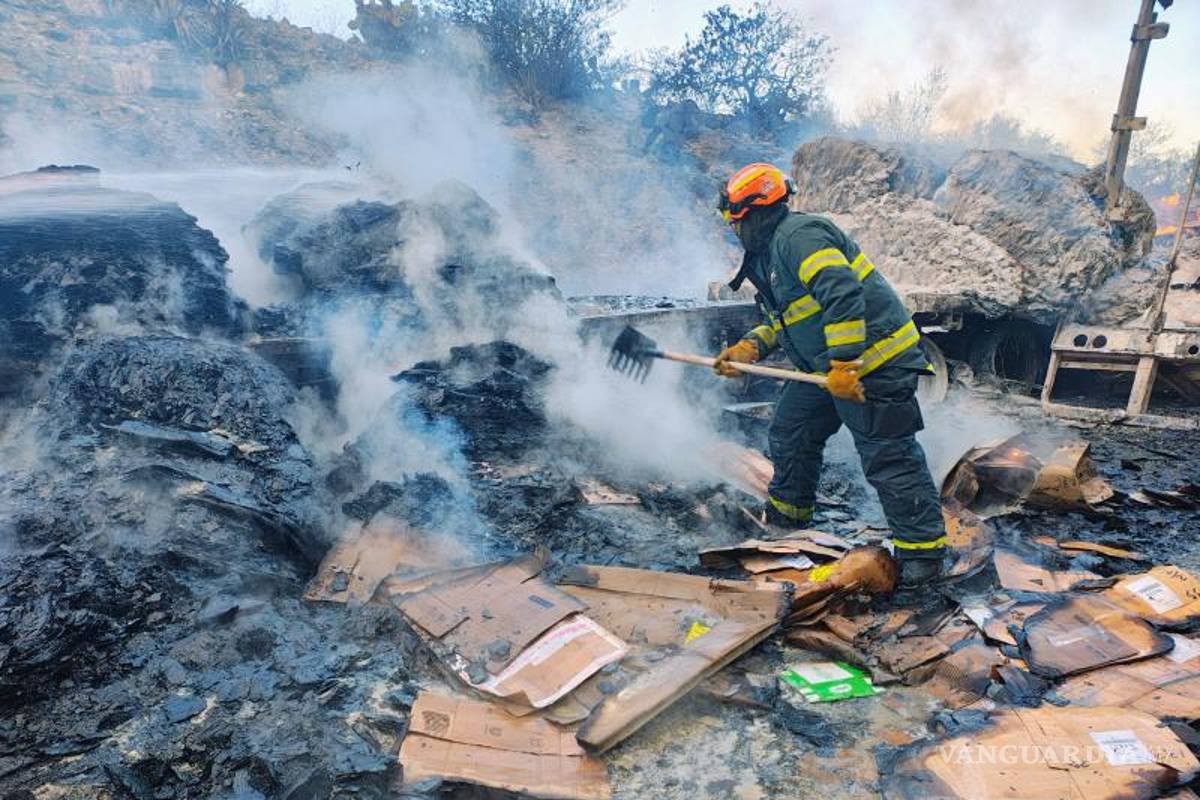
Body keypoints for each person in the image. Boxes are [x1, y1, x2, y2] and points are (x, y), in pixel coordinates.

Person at [714, 162, 947, 588]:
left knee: (888, 458)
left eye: (735, 221)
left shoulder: (799, 236)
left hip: (874, 365)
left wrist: (844, 365)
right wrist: (751, 346)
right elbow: (789, 318)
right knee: (792, 430)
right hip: (827, 371)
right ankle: (789, 521)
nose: (733, 229)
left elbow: (842, 293)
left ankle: (923, 559)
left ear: (754, 213)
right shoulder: (769, 255)